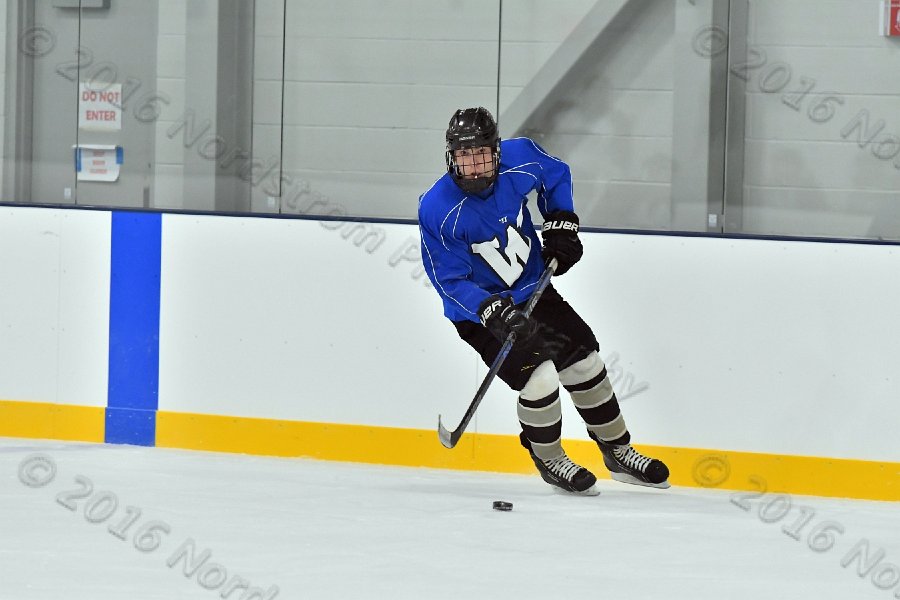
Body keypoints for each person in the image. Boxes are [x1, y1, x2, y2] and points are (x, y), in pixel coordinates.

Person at [418, 107, 670, 495]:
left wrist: (561, 220)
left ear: (497, 152)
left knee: (586, 364)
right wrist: (489, 310)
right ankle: (549, 457)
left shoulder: (521, 158)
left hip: (534, 288)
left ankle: (618, 452)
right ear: (451, 156)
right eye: (464, 157)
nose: (474, 166)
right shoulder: (438, 207)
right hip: (481, 314)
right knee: (539, 378)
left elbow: (556, 176)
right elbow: (448, 281)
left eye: (481, 154)